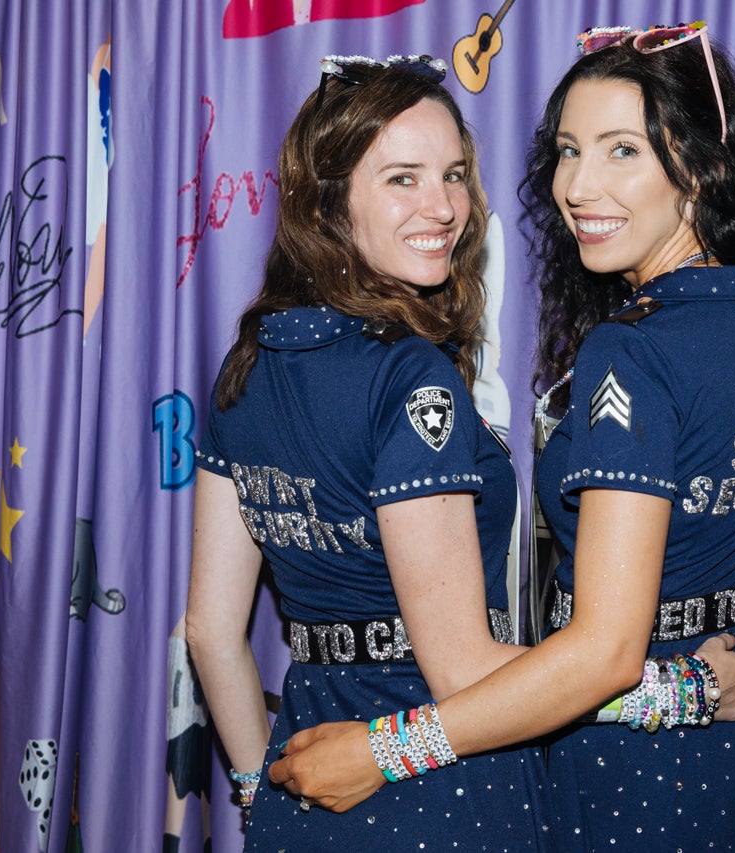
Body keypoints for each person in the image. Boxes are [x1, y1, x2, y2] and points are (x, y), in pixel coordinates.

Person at [270, 24, 735, 851]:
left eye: (622, 152)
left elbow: (608, 653)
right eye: (570, 151)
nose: (577, 185)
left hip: (644, 778)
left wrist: (383, 748)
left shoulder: (635, 349)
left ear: (699, 164)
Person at [185, 54, 553, 849]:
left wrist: (259, 795)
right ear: (327, 200)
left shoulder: (247, 364)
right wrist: (667, 687)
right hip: (444, 782)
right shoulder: (408, 374)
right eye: (403, 178)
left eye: (454, 174)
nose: (446, 205)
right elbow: (460, 667)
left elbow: (212, 631)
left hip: (305, 780)